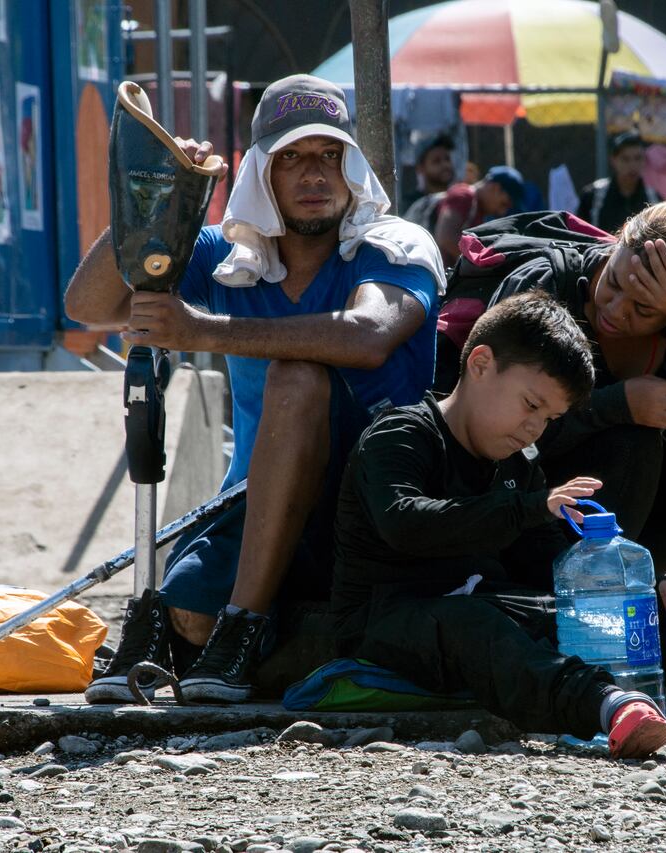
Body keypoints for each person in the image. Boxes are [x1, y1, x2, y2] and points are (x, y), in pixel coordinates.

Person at [331, 292, 666, 757]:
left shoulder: (515, 462)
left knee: (611, 611)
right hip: (388, 615)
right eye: (529, 404)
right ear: (479, 364)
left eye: (546, 418)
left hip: (487, 600)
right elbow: (405, 523)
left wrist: (639, 588)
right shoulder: (402, 435)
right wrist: (528, 508)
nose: (532, 427)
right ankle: (609, 705)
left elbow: (538, 560)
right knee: (474, 624)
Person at [66, 74, 444, 704]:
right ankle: (241, 632)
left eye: (329, 155)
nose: (313, 175)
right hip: (251, 503)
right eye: (291, 158)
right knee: (187, 613)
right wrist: (160, 199)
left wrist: (202, 329)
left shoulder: (393, 244)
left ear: (352, 167)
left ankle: (244, 632)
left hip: (373, 505)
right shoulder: (226, 256)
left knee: (295, 379)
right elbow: (89, 305)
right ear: (261, 173)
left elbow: (368, 335)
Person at [447, 189, 666, 633]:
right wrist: (618, 404)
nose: (614, 310)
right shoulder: (546, 285)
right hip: (528, 523)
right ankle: (595, 622)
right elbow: (492, 430)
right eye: (613, 282)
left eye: (644, 309)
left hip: (629, 532)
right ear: (615, 244)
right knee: (629, 437)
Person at [433, 165, 527, 266]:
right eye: (504, 204)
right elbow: (446, 237)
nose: (503, 212)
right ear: (495, 188)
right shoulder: (464, 196)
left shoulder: (478, 209)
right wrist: (483, 260)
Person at [577, 133, 660, 234]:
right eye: (625, 159)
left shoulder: (654, 199)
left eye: (638, 158)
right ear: (613, 160)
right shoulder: (592, 197)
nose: (632, 165)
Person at [402, 135, 456, 233]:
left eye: (447, 159)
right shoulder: (409, 205)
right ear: (420, 168)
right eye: (436, 161)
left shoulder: (460, 200)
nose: (445, 165)